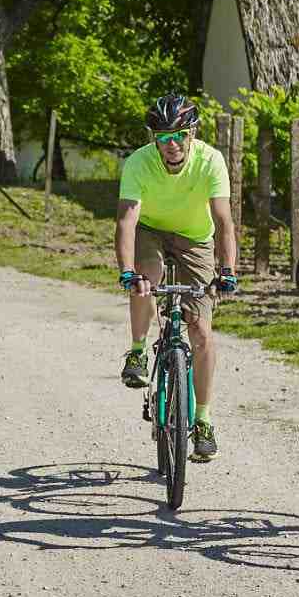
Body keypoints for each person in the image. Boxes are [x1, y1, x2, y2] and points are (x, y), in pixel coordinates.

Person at [113, 93, 240, 462]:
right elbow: (127, 221)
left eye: (179, 136)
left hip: (196, 238)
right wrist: (127, 272)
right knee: (146, 279)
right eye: (163, 137)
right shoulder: (138, 163)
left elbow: (224, 222)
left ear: (192, 134)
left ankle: (203, 420)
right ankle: (138, 352)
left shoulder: (211, 160)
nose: (172, 145)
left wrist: (227, 271)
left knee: (201, 331)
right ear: (154, 139)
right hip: (150, 230)